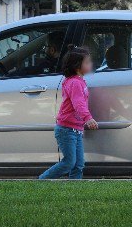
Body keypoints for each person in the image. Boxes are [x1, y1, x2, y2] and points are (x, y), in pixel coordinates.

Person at [39, 46, 98, 180]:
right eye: (87, 62)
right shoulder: (74, 83)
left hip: (76, 129)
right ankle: (41, 181)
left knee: (78, 164)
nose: (91, 64)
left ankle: (74, 188)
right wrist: (88, 118)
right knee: (69, 162)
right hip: (66, 129)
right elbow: (78, 103)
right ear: (78, 66)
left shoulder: (79, 81)